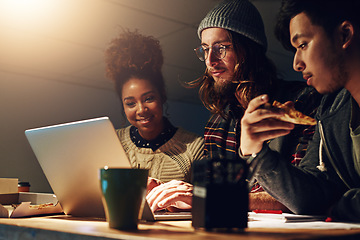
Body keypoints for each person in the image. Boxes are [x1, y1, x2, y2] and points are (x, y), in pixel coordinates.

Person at [147, 0, 321, 212]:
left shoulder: (303, 102)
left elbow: (305, 193)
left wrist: (205, 198)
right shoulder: (217, 123)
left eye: (221, 48)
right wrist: (179, 198)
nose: (210, 60)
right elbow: (218, 196)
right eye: (205, 49)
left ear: (249, 50)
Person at [240, 0, 360, 221]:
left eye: (303, 45)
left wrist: (341, 205)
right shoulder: (329, 110)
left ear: (344, 35)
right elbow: (310, 199)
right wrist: (255, 151)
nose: (296, 64)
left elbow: (329, 201)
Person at [104, 30, 204, 187]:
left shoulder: (194, 148)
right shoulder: (111, 142)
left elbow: (206, 204)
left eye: (148, 99)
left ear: (162, 95)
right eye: (131, 103)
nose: (141, 109)